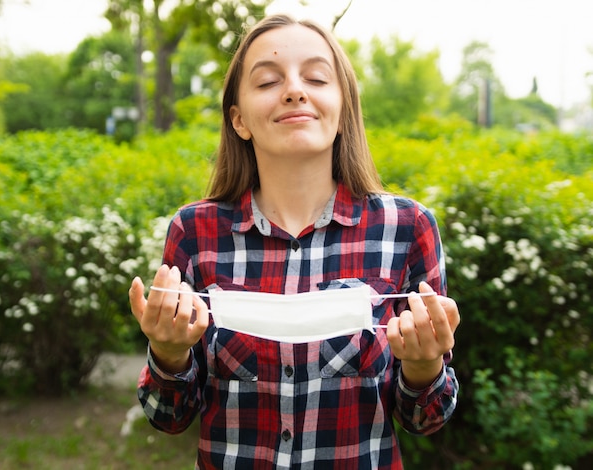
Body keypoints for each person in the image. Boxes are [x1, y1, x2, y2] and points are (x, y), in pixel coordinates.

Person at [129, 13, 460, 469]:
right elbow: (168, 416)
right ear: (239, 119)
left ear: (342, 110)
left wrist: (424, 368)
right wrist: (168, 354)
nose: (294, 90)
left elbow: (427, 418)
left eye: (316, 77)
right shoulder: (194, 233)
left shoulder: (407, 228)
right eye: (268, 81)